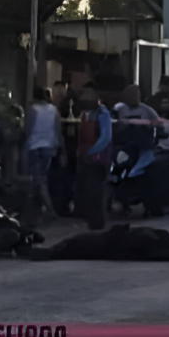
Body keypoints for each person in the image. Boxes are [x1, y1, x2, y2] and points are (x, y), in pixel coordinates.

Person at [73, 87, 113, 230]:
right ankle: (89, 218)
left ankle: (97, 222)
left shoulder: (103, 114)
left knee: (95, 191)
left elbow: (105, 137)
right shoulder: (86, 114)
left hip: (98, 159)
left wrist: (91, 151)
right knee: (87, 190)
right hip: (86, 157)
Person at [21, 88, 63, 216]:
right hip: (49, 146)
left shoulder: (33, 110)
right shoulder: (54, 110)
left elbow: (28, 129)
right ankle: (41, 208)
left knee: (37, 180)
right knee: (42, 177)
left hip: (34, 146)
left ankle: (49, 209)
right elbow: (58, 129)